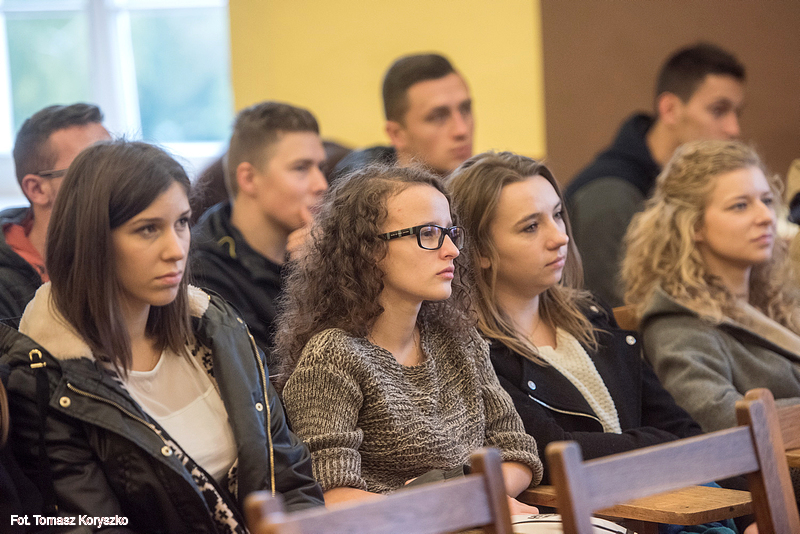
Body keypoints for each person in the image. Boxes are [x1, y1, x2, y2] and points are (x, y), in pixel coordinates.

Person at [0, 140, 323, 531]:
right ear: (92, 240)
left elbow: (290, 480)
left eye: (182, 222)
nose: (176, 250)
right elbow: (94, 525)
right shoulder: (44, 377)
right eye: (148, 229)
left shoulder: (216, 328)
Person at [274, 164, 542, 514]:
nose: (452, 250)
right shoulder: (333, 357)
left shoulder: (459, 341)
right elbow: (330, 496)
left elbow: (519, 452)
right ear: (370, 250)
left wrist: (470, 497)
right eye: (428, 233)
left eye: (450, 233)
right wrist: (452, 502)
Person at [448, 151, 703, 485]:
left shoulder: (590, 315)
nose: (560, 237)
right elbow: (554, 451)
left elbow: (682, 429)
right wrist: (661, 444)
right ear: (479, 251)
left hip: (665, 494)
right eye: (531, 227)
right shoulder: (477, 352)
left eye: (557, 215)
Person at [622, 140, 800, 433]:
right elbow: (720, 419)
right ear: (694, 226)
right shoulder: (677, 324)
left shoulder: (775, 298)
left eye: (767, 201)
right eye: (740, 206)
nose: (766, 217)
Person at [566, 43, 746, 306]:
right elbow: (615, 315)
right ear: (669, 109)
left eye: (737, 113)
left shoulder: (681, 188)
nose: (734, 129)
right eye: (718, 110)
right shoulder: (610, 196)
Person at [191, 102, 328, 366]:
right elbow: (274, 380)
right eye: (301, 168)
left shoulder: (314, 250)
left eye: (320, 168)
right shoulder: (205, 271)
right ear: (249, 178)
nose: (321, 184)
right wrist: (315, 281)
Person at [0, 103, 111, 319]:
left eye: (118, 163)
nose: (116, 179)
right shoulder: (5, 288)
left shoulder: (132, 249)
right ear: (37, 189)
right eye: (92, 168)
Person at [333, 53, 473, 178]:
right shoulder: (354, 193)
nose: (462, 130)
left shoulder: (482, 190)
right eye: (438, 117)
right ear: (396, 134)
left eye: (465, 110)